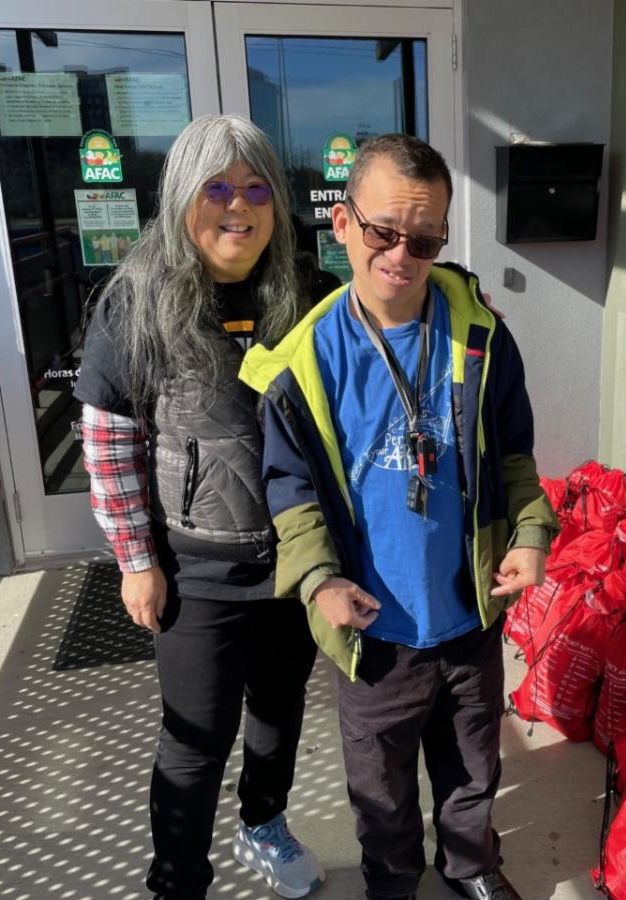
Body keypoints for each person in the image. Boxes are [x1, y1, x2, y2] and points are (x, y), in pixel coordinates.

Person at [239, 133, 559, 900]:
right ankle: (392, 882)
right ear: (342, 224)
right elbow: (290, 488)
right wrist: (319, 580)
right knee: (381, 792)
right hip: (374, 629)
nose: (402, 254)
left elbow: (514, 454)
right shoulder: (307, 357)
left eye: (424, 237)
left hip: (470, 612)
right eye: (384, 231)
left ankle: (471, 867)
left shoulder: (481, 334)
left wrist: (532, 535)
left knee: (474, 766)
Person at [74, 114, 324, 900]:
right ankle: (177, 878)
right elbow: (109, 444)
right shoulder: (136, 302)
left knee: (278, 715)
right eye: (216, 188)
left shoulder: (305, 292)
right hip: (196, 571)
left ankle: (263, 822)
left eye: (256, 189)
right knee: (195, 738)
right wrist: (136, 562)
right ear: (183, 198)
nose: (237, 206)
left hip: (291, 557)